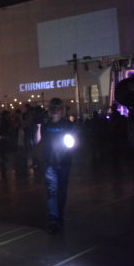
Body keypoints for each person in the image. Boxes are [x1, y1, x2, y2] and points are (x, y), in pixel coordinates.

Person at [34, 98, 76, 234]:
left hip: (64, 162)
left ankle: (59, 216)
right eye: (53, 107)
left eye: (57, 107)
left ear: (62, 110)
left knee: (61, 191)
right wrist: (39, 125)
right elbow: (37, 140)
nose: (55, 110)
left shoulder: (68, 125)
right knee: (52, 191)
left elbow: (73, 142)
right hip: (49, 163)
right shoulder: (45, 125)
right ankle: (54, 218)